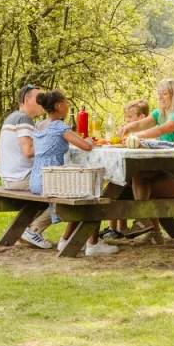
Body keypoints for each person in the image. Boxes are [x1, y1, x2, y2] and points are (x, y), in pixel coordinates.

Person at [30, 90, 119, 256]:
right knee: (93, 194)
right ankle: (92, 244)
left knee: (87, 191)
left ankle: (66, 240)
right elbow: (86, 146)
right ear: (60, 106)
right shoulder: (59, 126)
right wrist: (89, 140)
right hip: (50, 179)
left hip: (37, 177)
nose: (68, 107)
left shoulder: (39, 125)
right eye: (67, 104)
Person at [119, 79, 174, 246]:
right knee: (138, 175)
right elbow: (141, 123)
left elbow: (161, 130)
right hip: (166, 169)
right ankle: (149, 228)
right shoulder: (159, 113)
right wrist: (128, 127)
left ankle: (144, 220)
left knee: (142, 186)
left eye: (165, 93)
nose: (160, 97)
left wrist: (138, 136)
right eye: (159, 93)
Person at [0, 84, 54, 249]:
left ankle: (28, 229)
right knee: (66, 189)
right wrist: (50, 141)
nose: (42, 101)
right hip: (21, 178)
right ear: (27, 100)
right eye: (38, 98)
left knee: (58, 185)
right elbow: (28, 151)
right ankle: (34, 230)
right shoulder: (24, 119)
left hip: (10, 177)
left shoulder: (13, 117)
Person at [101, 99, 150, 240]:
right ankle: (115, 228)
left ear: (141, 118)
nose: (127, 120)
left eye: (130, 117)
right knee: (116, 180)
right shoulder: (130, 131)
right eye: (126, 117)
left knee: (119, 184)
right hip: (131, 174)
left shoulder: (146, 133)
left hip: (143, 174)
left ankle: (119, 228)